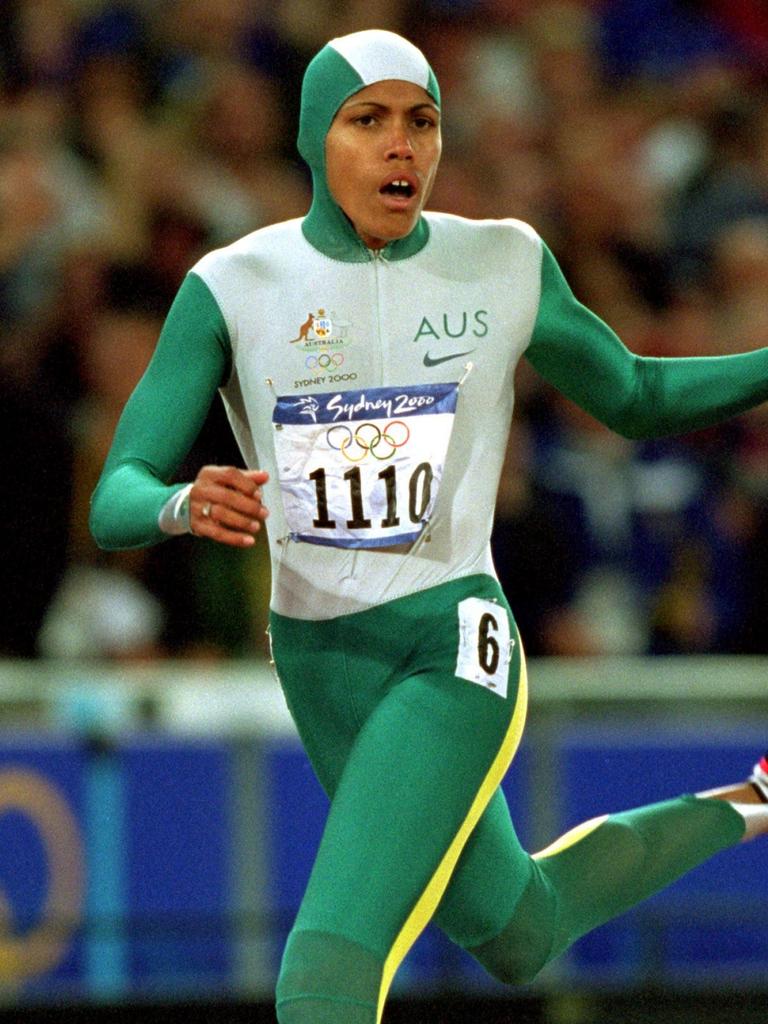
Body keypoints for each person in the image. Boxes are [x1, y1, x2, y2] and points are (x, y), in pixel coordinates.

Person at [90, 29, 768, 1024]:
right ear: (317, 139)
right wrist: (182, 501)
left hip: (451, 641)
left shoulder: (502, 262)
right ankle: (758, 801)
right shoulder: (233, 286)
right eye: (370, 121)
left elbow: (632, 393)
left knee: (325, 969)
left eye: (423, 121)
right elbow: (116, 495)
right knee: (520, 929)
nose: (402, 145)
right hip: (319, 659)